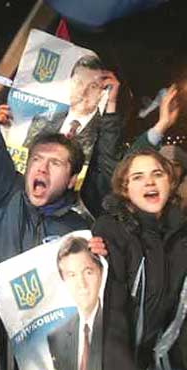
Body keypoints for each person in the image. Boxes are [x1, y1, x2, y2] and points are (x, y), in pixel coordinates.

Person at [0, 5, 112, 264]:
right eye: (37, 159)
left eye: (56, 163)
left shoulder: (79, 232)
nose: (42, 168)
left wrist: (97, 264)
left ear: (72, 179)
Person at [92, 148, 187, 369]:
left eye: (157, 174)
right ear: (125, 189)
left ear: (171, 181)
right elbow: (112, 315)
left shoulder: (181, 237)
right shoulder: (111, 230)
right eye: (138, 177)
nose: (149, 182)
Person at [22, 54, 121, 162]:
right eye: (79, 83)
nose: (83, 92)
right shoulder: (43, 119)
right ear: (69, 83)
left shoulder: (105, 132)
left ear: (102, 93)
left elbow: (108, 168)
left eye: (93, 86)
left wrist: (111, 102)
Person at [47, 236, 103, 370]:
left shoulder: (119, 325)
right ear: (63, 280)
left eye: (88, 272)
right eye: (72, 275)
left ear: (100, 273)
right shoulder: (56, 338)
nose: (82, 284)